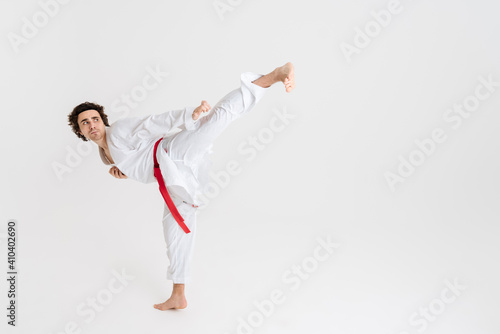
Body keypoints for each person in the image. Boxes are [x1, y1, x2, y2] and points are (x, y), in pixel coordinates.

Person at [67, 62, 295, 310]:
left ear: (103, 120)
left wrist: (190, 115)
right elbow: (138, 162)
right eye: (85, 123)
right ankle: (178, 294)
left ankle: (273, 76)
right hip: (172, 177)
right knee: (175, 230)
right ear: (80, 132)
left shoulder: (119, 131)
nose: (92, 125)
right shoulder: (105, 155)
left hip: (172, 151)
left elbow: (151, 123)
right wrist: (126, 173)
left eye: (95, 119)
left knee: (216, 119)